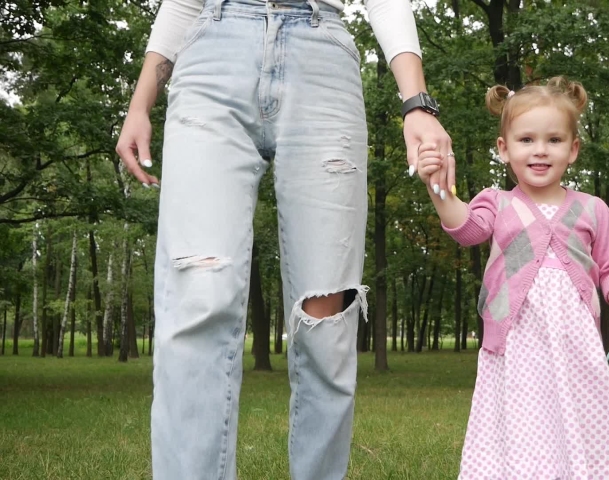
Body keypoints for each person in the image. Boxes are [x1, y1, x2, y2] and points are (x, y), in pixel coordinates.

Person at [115, 0, 453, 478]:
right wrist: (140, 102)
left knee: (327, 318)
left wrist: (416, 104)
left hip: (323, 60)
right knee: (196, 301)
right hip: (211, 55)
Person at [416, 77, 609, 479]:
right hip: (516, 346)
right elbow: (466, 229)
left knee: (581, 418)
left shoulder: (593, 210)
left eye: (554, 140)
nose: (540, 150)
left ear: (572, 150)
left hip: (576, 346)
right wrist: (439, 190)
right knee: (522, 424)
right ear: (504, 149)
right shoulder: (498, 203)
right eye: (526, 140)